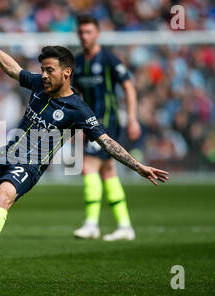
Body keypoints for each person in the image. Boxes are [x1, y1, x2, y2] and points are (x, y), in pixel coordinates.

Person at [0, 15, 168, 285]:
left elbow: (106, 141)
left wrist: (138, 166)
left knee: (2, 198)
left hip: (28, 165)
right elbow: (13, 69)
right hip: (4, 155)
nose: (43, 75)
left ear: (66, 73)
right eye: (42, 70)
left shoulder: (78, 109)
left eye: (49, 70)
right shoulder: (38, 86)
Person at [72, 15, 141, 241]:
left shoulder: (109, 58)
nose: (85, 36)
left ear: (97, 33)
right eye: (81, 32)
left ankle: (91, 224)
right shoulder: (79, 63)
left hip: (108, 123)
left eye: (89, 32)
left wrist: (132, 119)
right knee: (108, 171)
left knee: (88, 167)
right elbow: (76, 96)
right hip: (89, 125)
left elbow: (129, 86)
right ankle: (125, 226)